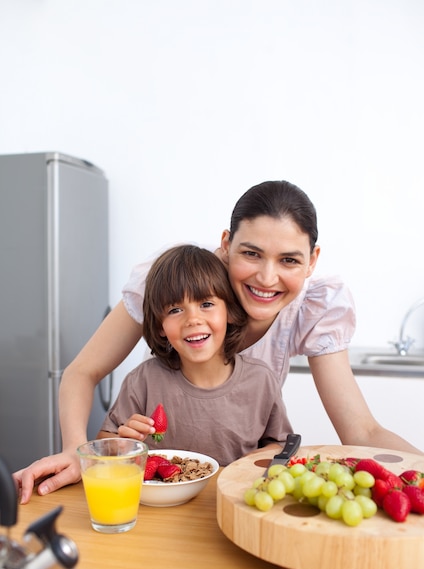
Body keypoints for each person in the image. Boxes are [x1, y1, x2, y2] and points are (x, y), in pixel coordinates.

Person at [14, 180, 422, 503]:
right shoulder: (173, 283)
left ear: (312, 261)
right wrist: (74, 450)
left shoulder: (316, 307)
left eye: (289, 260)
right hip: (158, 494)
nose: (266, 278)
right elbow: (83, 372)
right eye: (251, 253)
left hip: (233, 495)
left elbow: (362, 430)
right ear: (226, 244)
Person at [97, 244, 292, 466]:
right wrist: (123, 443)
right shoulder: (143, 381)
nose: (193, 319)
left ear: (228, 311)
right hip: (159, 500)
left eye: (206, 304)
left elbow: (281, 444)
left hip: (228, 497)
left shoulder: (260, 380)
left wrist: (254, 459)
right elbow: (103, 444)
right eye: (175, 310)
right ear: (160, 326)